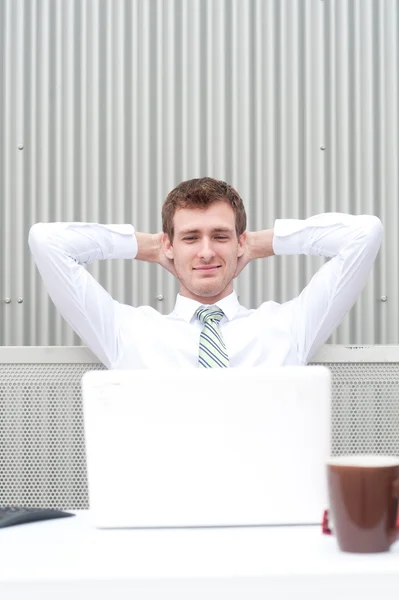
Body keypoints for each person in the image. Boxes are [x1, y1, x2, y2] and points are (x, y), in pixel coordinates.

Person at [28, 177, 383, 370]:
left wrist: (260, 243)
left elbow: (364, 234)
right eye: (190, 237)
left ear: (239, 241)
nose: (207, 251)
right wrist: (147, 246)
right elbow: (47, 241)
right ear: (169, 244)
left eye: (220, 236)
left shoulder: (288, 328)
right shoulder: (127, 332)